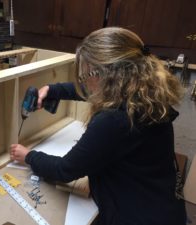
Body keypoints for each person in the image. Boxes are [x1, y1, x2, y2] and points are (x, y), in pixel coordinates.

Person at [10, 27, 186, 225]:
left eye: (86, 75)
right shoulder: (146, 94)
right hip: (165, 209)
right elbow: (96, 92)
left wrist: (28, 156)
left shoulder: (114, 120)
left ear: (107, 74)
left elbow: (65, 170)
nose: (85, 82)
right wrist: (53, 89)